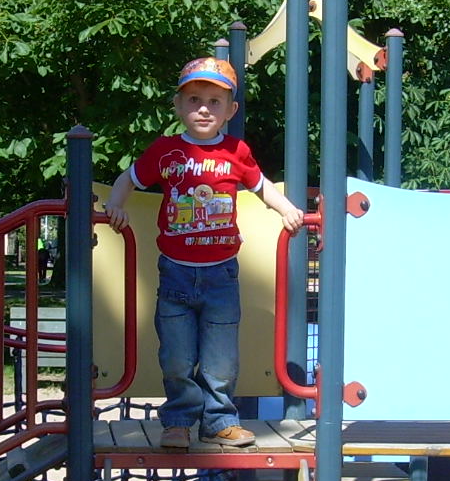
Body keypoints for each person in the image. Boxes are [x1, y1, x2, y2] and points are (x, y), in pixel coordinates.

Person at [103, 57, 304, 450]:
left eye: (215, 102)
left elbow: (261, 185)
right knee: (177, 356)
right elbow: (129, 178)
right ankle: (179, 420)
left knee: (221, 359)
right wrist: (115, 204)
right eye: (194, 100)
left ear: (230, 110)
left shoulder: (235, 151)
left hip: (221, 274)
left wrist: (287, 209)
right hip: (176, 272)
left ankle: (219, 421)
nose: (204, 109)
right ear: (178, 106)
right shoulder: (167, 151)